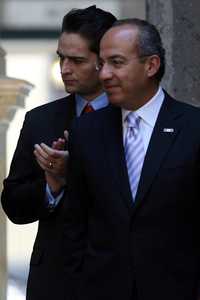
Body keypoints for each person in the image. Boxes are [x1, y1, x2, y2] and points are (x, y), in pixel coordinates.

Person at [64, 18, 200, 300]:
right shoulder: (86, 131)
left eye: (117, 62)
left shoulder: (193, 128)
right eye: (102, 64)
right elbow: (75, 226)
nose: (104, 75)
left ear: (151, 65)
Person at [1, 6, 116, 300]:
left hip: (118, 278)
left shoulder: (134, 117)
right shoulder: (40, 119)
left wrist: (73, 174)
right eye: (61, 57)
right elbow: (13, 204)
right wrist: (52, 185)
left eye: (76, 60)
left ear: (104, 62)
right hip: (53, 282)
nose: (65, 68)